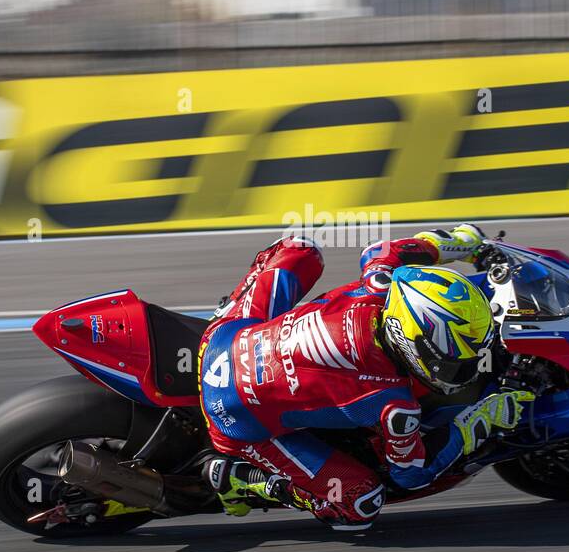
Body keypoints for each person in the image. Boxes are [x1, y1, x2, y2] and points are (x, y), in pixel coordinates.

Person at [198, 223, 533, 529]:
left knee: (301, 247)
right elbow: (412, 475)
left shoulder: (379, 287)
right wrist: (481, 419)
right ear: (411, 342)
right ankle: (244, 479)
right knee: (360, 502)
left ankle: (226, 310)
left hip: (225, 338)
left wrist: (462, 242)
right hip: (232, 418)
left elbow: (382, 251)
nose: (466, 368)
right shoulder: (393, 405)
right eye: (453, 361)